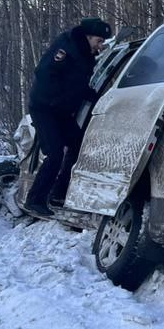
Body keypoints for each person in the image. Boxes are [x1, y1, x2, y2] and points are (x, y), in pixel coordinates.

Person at [23, 16, 113, 218]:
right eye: (99, 41)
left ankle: (58, 193)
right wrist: (57, 99)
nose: (100, 46)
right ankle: (35, 200)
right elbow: (44, 74)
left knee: (78, 144)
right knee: (54, 153)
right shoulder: (66, 49)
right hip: (45, 109)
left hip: (61, 111)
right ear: (88, 37)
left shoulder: (86, 54)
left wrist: (96, 97)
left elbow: (78, 83)